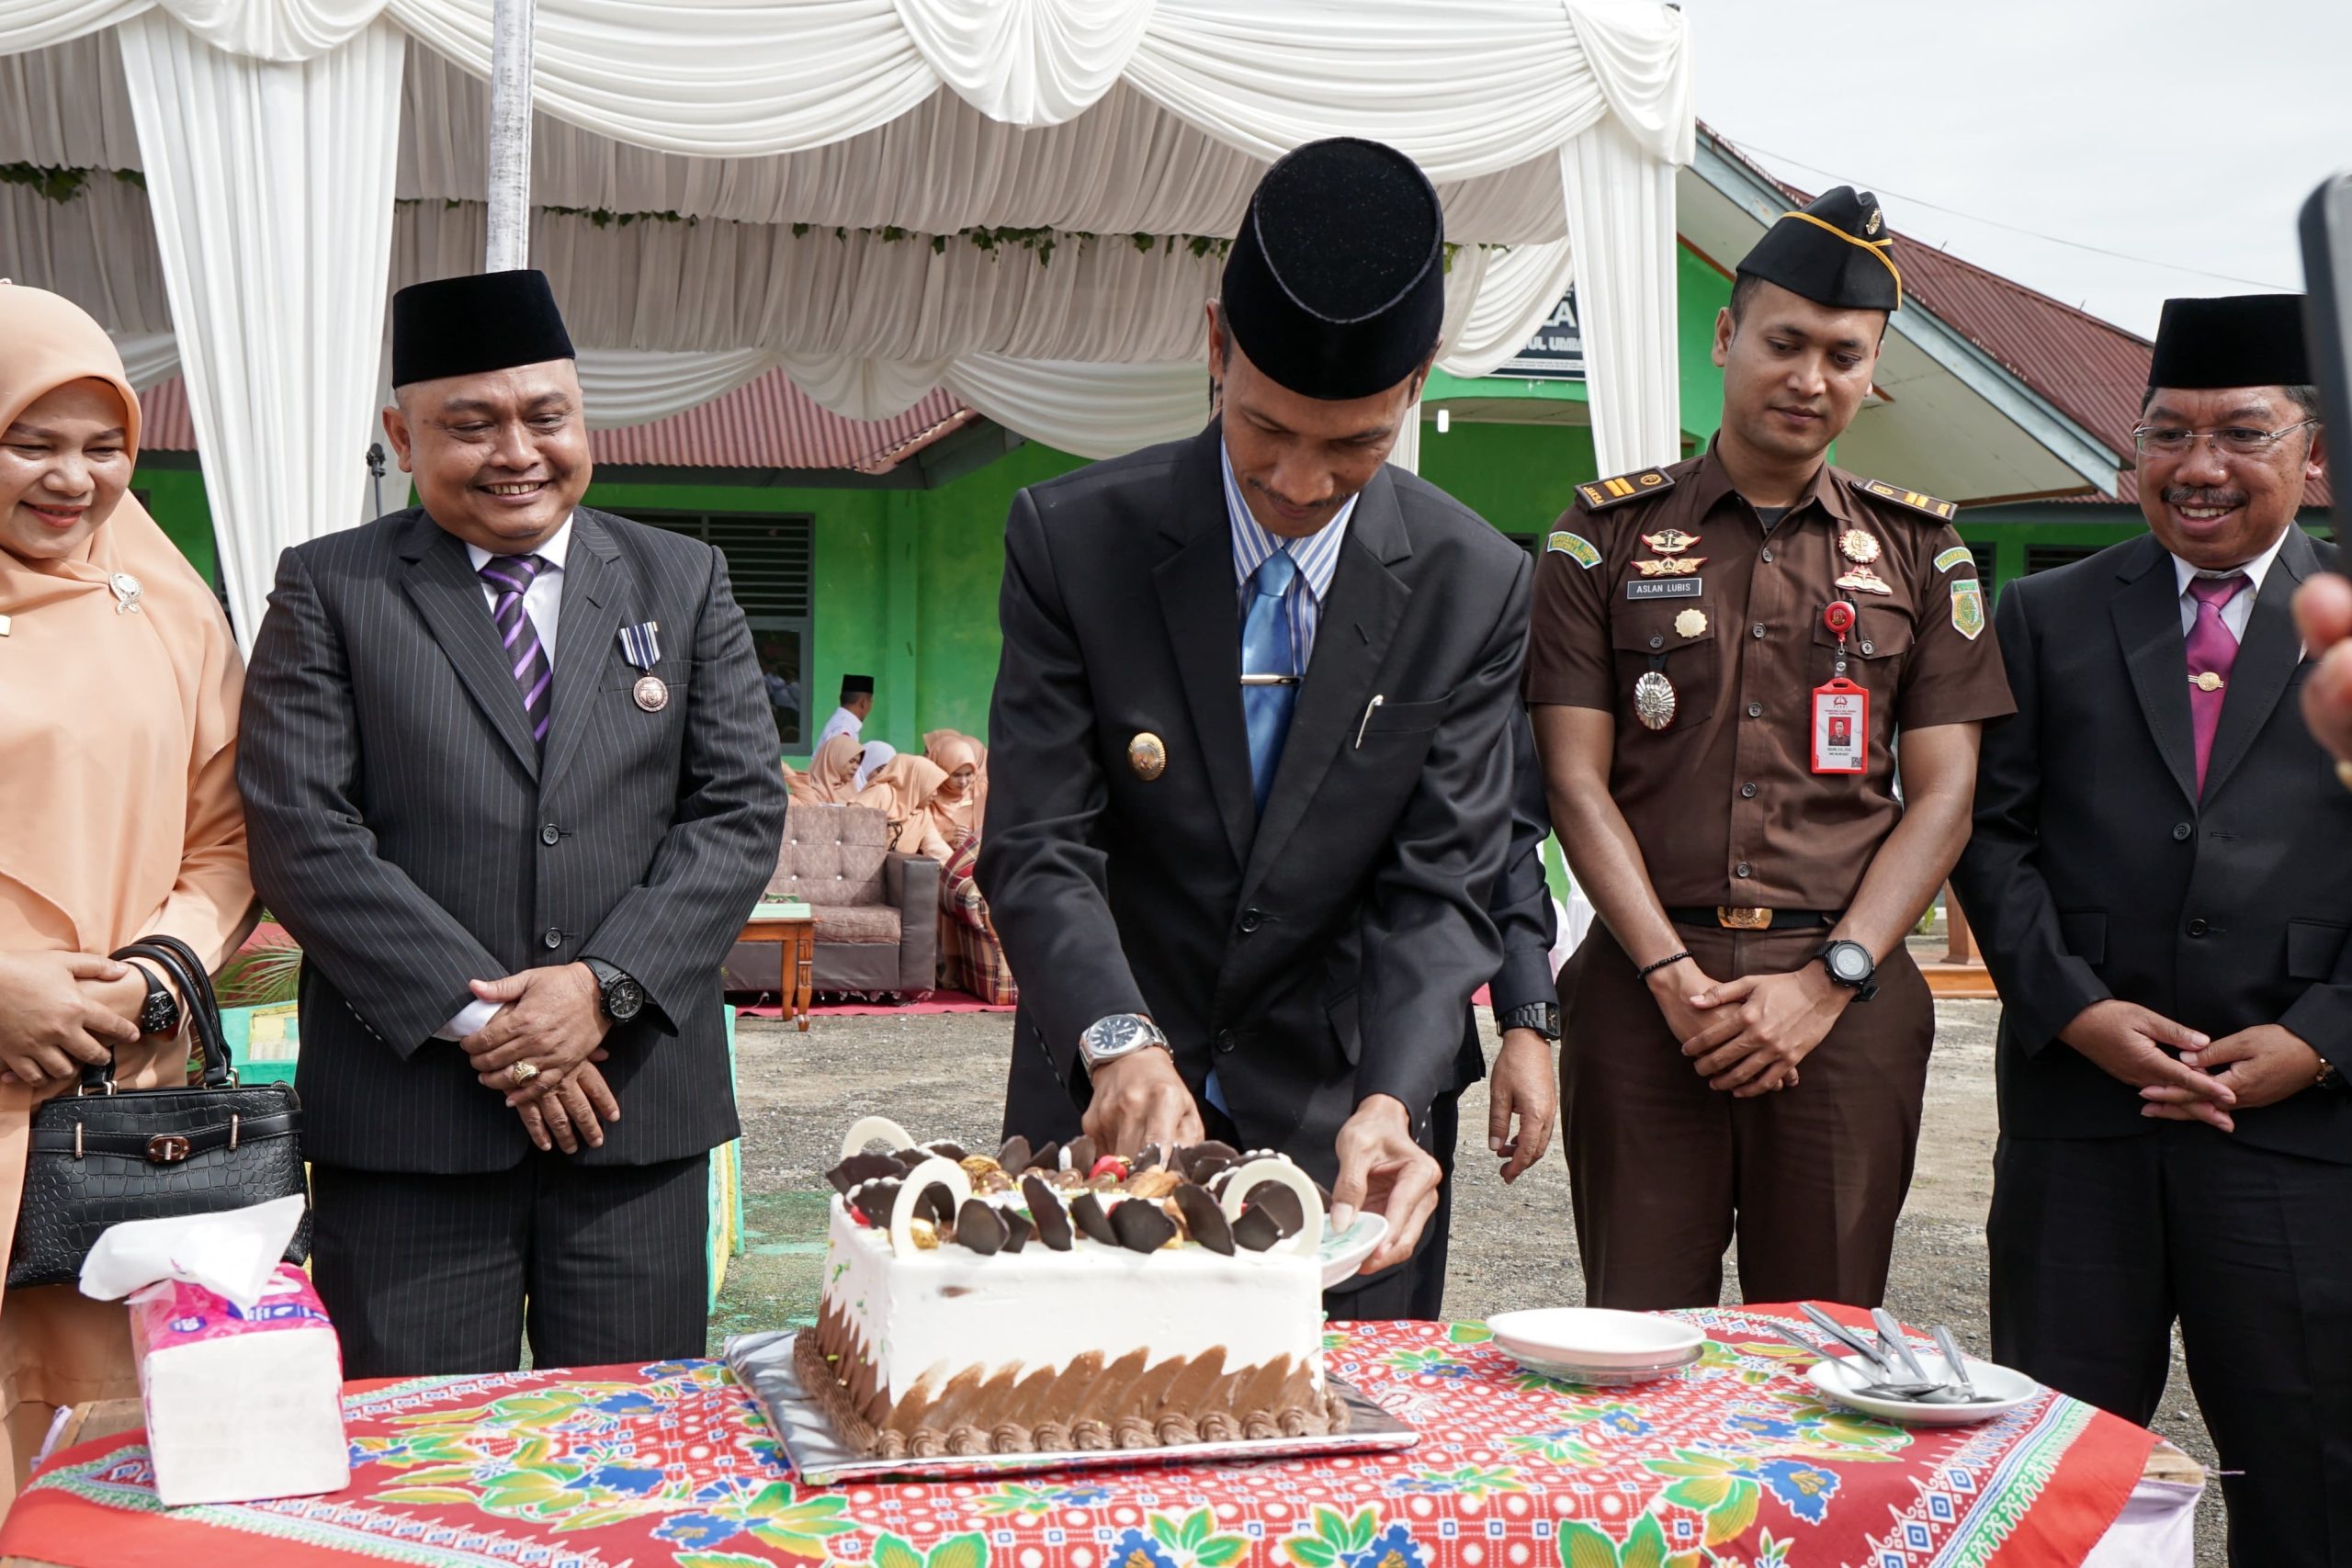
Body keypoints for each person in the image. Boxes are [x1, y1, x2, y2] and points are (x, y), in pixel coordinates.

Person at [977, 138, 1532, 1317]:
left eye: (1355, 444)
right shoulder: (1077, 544)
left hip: (1343, 1136)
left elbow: (1442, 884)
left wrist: (1395, 1098)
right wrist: (1118, 1042)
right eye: (1264, 427)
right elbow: (1038, 843)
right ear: (1217, 346)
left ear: (1418, 382)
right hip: (1108, 1105)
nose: (1297, 481)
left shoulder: (1470, 582)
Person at [238, 269, 786, 1378]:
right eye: (471, 425)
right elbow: (302, 829)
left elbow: (735, 810)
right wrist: (486, 1023)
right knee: (415, 1470)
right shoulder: (332, 588)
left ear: (584, 420)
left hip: (632, 1115)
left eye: (546, 417)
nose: (517, 453)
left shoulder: (680, 579)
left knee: (631, 1459)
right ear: (401, 435)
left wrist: (601, 988)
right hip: (412, 1132)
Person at [1526, 187, 2013, 1311]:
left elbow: (1942, 798)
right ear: (1725, 336)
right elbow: (1574, 778)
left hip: (1844, 1004)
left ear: (1872, 369)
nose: (1809, 379)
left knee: (1827, 1345)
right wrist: (1666, 974)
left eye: (1844, 355)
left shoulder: (1922, 553)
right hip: (1649, 1000)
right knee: (1638, 1346)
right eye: (1784, 342)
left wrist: (1829, 980)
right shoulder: (1600, 536)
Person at [1951, 293, 2344, 1567]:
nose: (2201, 468)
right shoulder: (2050, 616)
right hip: (2083, 1120)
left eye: (2242, 433)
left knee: (2311, 1466)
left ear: (2314, 450)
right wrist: (2074, 1007)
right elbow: (1990, 839)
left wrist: (2319, 1038)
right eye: (2167, 435)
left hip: (2295, 1126)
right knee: (2058, 1471)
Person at [0, 284, 257, 1492]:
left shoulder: (168, 607)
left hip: (116, 1093)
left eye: (104, 446)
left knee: (111, 1443)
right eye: (30, 441)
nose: (73, 478)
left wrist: (155, 972)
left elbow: (224, 837)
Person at [855, 750, 956, 863]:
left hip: (896, 874)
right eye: (931, 787)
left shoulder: (923, 814)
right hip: (861, 867)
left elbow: (937, 848)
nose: (935, 793)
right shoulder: (881, 793)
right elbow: (849, 823)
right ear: (917, 783)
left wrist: (960, 870)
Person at [922, 729, 988, 845]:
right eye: (956, 775)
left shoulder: (982, 792)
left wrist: (972, 839)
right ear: (942, 771)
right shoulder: (928, 795)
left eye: (968, 774)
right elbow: (918, 838)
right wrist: (944, 837)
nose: (963, 782)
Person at [816, 674, 874, 751]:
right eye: (871, 701)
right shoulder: (844, 727)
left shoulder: (843, 723)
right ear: (863, 702)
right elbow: (838, 761)